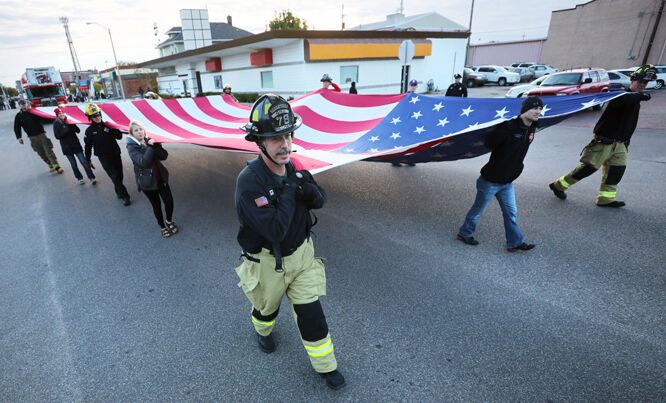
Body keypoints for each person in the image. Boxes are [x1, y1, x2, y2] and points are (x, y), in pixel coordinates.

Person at [234, 94, 345, 390]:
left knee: (312, 315)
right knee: (266, 311)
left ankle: (327, 367)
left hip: (303, 258)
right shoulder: (249, 183)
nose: (285, 144)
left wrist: (310, 191)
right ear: (259, 141)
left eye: (288, 135)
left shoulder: (293, 168)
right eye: (275, 138)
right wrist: (290, 188)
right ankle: (263, 330)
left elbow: (320, 200)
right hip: (269, 264)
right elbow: (276, 230)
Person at [548, 65, 656, 208]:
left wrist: (627, 141)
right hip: (604, 141)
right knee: (589, 168)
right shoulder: (619, 95)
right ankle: (558, 186)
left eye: (645, 83)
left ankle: (605, 199)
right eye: (640, 82)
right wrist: (641, 96)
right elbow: (625, 100)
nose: (642, 85)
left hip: (620, 144)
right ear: (633, 80)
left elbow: (629, 122)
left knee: (616, 171)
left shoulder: (635, 99)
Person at [457, 96, 543, 252]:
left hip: (507, 182)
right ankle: (464, 233)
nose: (538, 111)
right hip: (490, 181)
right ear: (525, 110)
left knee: (511, 213)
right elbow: (489, 142)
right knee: (478, 211)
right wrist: (499, 130)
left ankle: (515, 243)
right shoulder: (508, 127)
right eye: (535, 108)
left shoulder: (532, 128)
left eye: (540, 109)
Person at [126, 120, 178, 238]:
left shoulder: (149, 140)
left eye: (141, 129)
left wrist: (156, 145)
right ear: (132, 133)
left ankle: (169, 221)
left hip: (160, 178)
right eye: (136, 130)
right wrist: (150, 146)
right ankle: (162, 226)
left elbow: (164, 156)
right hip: (147, 182)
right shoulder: (131, 146)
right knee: (156, 205)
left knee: (169, 201)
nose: (139, 132)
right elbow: (144, 162)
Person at [83, 103, 131, 206]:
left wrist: (113, 127)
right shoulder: (89, 131)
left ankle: (118, 191)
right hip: (104, 158)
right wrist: (87, 159)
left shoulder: (108, 125)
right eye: (94, 116)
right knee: (115, 177)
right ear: (90, 118)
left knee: (119, 175)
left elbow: (119, 137)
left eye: (98, 114)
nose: (98, 117)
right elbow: (87, 147)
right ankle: (125, 196)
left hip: (115, 154)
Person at [14, 99, 64, 173]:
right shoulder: (19, 116)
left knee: (48, 151)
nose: (23, 104)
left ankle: (57, 166)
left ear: (27, 104)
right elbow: (16, 127)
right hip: (32, 138)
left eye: (24, 103)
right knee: (41, 153)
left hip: (42, 135)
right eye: (22, 104)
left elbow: (44, 116)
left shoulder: (34, 112)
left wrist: (55, 113)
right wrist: (19, 137)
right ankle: (50, 164)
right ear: (19, 105)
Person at [53, 107, 96, 185]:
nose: (62, 114)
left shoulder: (69, 121)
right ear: (57, 115)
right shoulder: (56, 123)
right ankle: (79, 178)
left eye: (62, 113)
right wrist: (67, 129)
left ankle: (91, 177)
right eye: (59, 113)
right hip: (67, 148)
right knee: (74, 165)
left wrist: (72, 124)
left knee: (83, 162)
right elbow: (57, 136)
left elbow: (78, 131)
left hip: (76, 145)